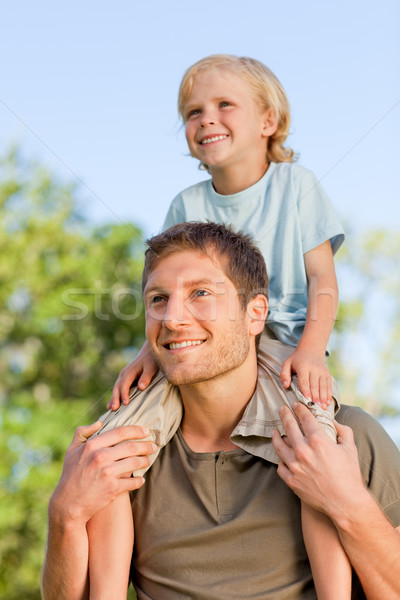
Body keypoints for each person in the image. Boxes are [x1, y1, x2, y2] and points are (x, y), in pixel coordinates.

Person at [94, 54, 347, 597]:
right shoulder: (185, 203)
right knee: (113, 449)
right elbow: (170, 291)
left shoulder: (296, 186)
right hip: (201, 348)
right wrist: (146, 355)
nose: (206, 119)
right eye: (192, 112)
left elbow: (323, 280)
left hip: (283, 345)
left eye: (223, 105)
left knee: (315, 454)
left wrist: (311, 350)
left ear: (267, 121)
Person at [41, 222, 400, 600]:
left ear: (255, 314)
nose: (172, 319)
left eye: (200, 293)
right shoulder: (121, 457)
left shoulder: (348, 438)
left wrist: (350, 505)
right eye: (158, 299)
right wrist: (65, 513)